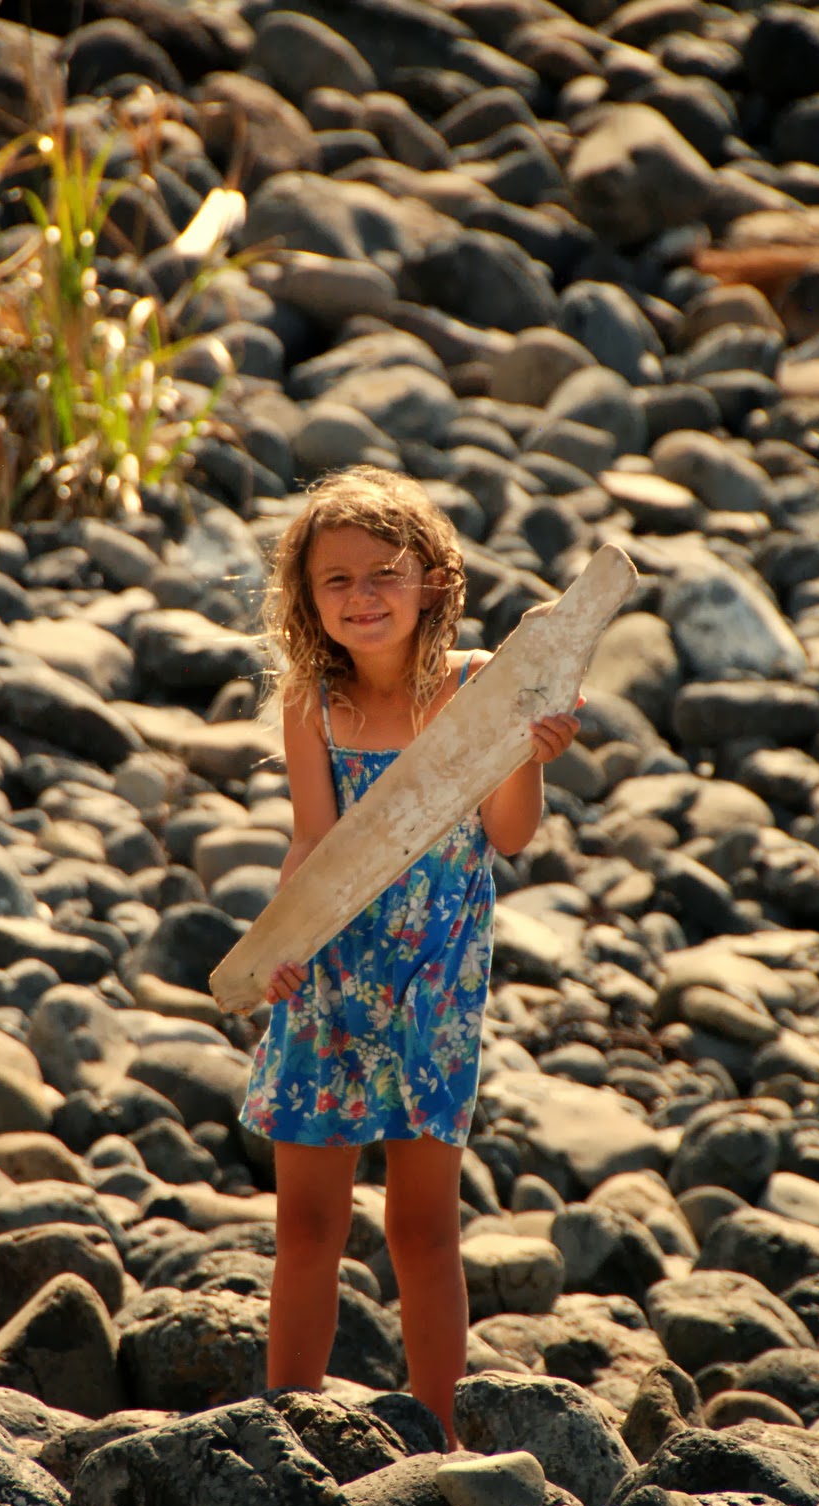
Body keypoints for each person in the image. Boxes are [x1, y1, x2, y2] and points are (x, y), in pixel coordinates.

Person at [238, 466, 581, 1449]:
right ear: (307, 600)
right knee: (307, 1226)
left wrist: (527, 756)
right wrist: (281, 942)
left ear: (431, 579)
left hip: (434, 982)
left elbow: (507, 836)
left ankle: (438, 1440)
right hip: (328, 980)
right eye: (336, 580)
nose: (362, 596)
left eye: (383, 573)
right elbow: (312, 841)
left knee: (422, 1228)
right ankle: (288, 1428)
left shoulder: (476, 686)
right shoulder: (311, 701)